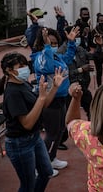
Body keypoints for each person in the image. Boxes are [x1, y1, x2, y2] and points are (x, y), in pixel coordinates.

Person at [0, 52, 67, 189]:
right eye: (21, 66)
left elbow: (44, 104)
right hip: (20, 143)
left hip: (34, 138)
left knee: (46, 172)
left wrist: (54, 87)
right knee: (28, 184)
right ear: (9, 70)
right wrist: (41, 98)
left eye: (25, 65)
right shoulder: (13, 93)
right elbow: (27, 123)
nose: (25, 68)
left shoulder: (24, 84)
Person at [30, 26, 79, 173]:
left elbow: (69, 58)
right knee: (51, 133)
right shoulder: (39, 57)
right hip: (50, 100)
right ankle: (40, 165)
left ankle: (51, 158)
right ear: (42, 43)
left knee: (60, 130)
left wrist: (71, 42)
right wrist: (46, 47)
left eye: (54, 43)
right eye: (49, 43)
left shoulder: (57, 55)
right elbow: (48, 67)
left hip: (61, 97)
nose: (53, 46)